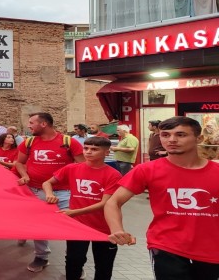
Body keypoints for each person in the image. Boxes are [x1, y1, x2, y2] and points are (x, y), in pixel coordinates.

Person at [105, 116, 219, 280]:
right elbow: (113, 202)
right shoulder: (146, 170)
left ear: (198, 138)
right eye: (165, 135)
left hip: (211, 249)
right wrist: (117, 230)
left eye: (181, 135)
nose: (172, 140)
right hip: (166, 245)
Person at [14, 112, 84, 273]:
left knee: (72, 227)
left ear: (44, 124)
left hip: (64, 192)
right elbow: (19, 163)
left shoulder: (69, 142)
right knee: (38, 225)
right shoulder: (28, 142)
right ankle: (41, 256)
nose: (29, 125)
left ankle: (74, 263)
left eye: (32, 122)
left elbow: (83, 167)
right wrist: (24, 176)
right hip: (35, 190)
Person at [42, 136, 121, 280]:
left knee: (104, 267)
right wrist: (49, 194)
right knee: (73, 262)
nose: (88, 152)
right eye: (86, 148)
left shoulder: (113, 174)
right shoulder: (72, 168)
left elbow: (105, 203)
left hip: (105, 227)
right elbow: (47, 183)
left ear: (106, 152)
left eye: (94, 149)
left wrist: (74, 212)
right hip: (77, 226)